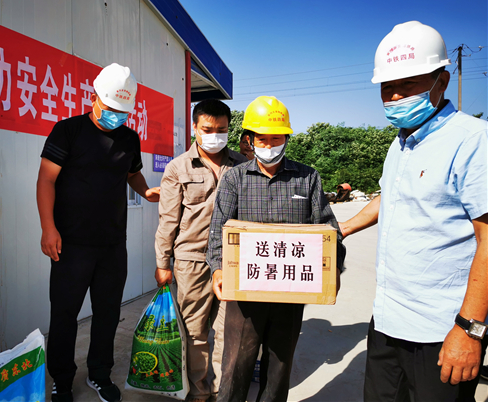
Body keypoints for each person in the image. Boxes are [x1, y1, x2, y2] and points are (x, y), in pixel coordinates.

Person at [338, 21, 488, 401]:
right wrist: (343, 228)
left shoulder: (473, 141)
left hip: (442, 331)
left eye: (407, 84)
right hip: (388, 322)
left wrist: (470, 330)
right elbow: (391, 196)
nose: (394, 96)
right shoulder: (400, 144)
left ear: (442, 81)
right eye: (387, 87)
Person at [206, 96, 346, 402]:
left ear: (286, 139)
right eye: (262, 139)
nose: (269, 145)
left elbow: (329, 231)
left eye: (276, 139)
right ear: (249, 140)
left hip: (290, 294)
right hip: (244, 294)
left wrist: (333, 267)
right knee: (235, 367)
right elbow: (218, 231)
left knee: (278, 370)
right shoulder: (235, 179)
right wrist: (217, 269)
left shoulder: (307, 178)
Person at [37, 63, 160, 402]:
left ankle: (100, 374)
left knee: (108, 312)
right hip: (70, 244)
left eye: (122, 111)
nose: (116, 116)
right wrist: (48, 227)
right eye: (110, 108)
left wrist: (146, 191)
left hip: (112, 244)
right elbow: (46, 179)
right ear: (95, 97)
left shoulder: (129, 138)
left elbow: (132, 174)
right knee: (64, 314)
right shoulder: (68, 131)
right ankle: (62, 380)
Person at [154, 99, 247, 402]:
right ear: (194, 127)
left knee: (229, 329)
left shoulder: (243, 165)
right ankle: (198, 389)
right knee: (194, 331)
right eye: (207, 129)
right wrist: (162, 262)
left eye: (221, 129)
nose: (214, 135)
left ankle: (221, 389)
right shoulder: (178, 168)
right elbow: (168, 220)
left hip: (233, 260)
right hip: (191, 260)